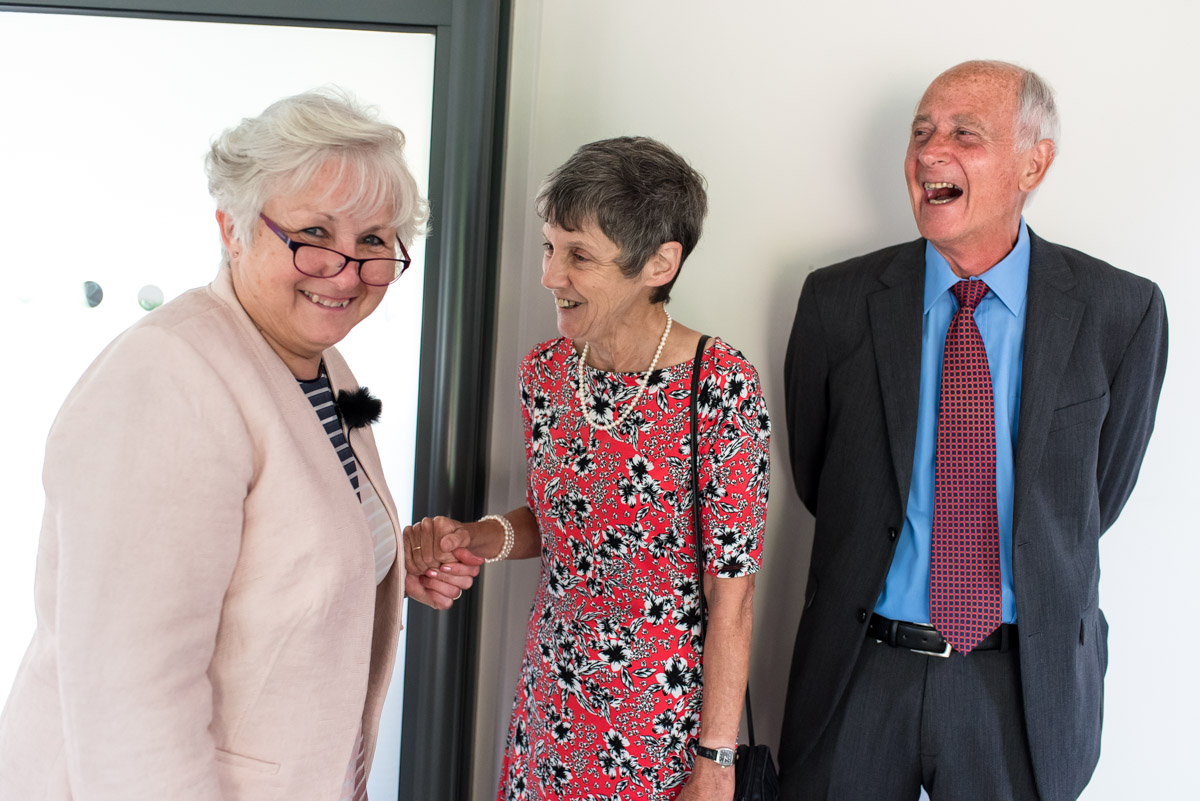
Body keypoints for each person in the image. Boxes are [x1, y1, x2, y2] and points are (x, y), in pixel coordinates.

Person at [0, 89, 479, 801]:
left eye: (375, 240)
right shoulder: (167, 378)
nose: (346, 271)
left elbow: (282, 539)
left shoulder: (318, 361)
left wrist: (380, 560)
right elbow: (130, 696)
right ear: (232, 227)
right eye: (315, 233)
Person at [777, 60, 1168, 801]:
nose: (930, 152)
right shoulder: (837, 301)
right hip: (861, 672)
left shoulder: (1123, 312)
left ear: (1034, 162)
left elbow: (1095, 501)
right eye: (921, 132)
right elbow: (820, 477)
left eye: (965, 134)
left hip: (1020, 688)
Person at [405, 137, 771, 800]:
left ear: (660, 262)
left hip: (661, 730)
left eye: (579, 255)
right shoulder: (546, 374)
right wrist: (478, 536)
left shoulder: (720, 384)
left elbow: (734, 595)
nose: (550, 275)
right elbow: (560, 524)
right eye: (549, 247)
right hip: (551, 707)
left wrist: (716, 760)